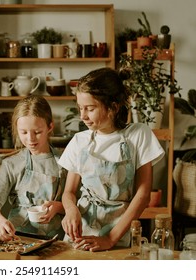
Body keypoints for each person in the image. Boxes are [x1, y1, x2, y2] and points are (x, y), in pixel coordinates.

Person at [58, 67, 165, 252]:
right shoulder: (80, 140)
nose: (83, 116)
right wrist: (71, 210)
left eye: (90, 109)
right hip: (80, 234)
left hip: (119, 233)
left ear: (113, 107)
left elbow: (143, 195)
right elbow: (69, 192)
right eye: (80, 108)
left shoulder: (138, 134)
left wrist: (110, 239)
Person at [0, 95, 67, 241]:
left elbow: (78, 204)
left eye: (37, 132)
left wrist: (58, 207)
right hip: (19, 238)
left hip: (57, 240)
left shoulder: (66, 161)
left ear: (50, 127)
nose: (30, 139)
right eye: (23, 132)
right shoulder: (11, 164)